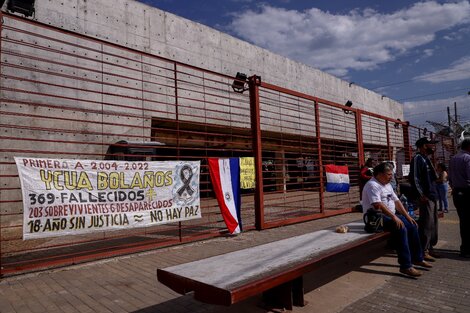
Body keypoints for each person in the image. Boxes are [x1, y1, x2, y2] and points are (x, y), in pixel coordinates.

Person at [362, 162, 432, 277]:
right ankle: (406, 266)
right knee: (401, 228)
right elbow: (377, 205)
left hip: (390, 215)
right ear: (379, 174)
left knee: (413, 225)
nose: (391, 177)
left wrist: (407, 216)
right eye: (389, 174)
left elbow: (397, 201)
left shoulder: (387, 184)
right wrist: (394, 217)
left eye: (391, 174)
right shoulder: (372, 185)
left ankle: (418, 258)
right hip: (376, 218)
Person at [409, 137, 439, 262]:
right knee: (426, 224)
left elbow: (433, 177)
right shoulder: (417, 158)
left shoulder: (427, 159)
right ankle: (423, 251)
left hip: (433, 195)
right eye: (431, 144)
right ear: (423, 146)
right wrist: (422, 195)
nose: (433, 146)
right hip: (426, 197)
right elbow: (414, 178)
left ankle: (430, 248)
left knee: (433, 224)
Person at [448, 138, 470, 258]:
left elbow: (450, 177)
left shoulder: (453, 158)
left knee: (463, 221)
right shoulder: (468, 158)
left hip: (457, 192)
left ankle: (464, 248)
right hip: (467, 192)